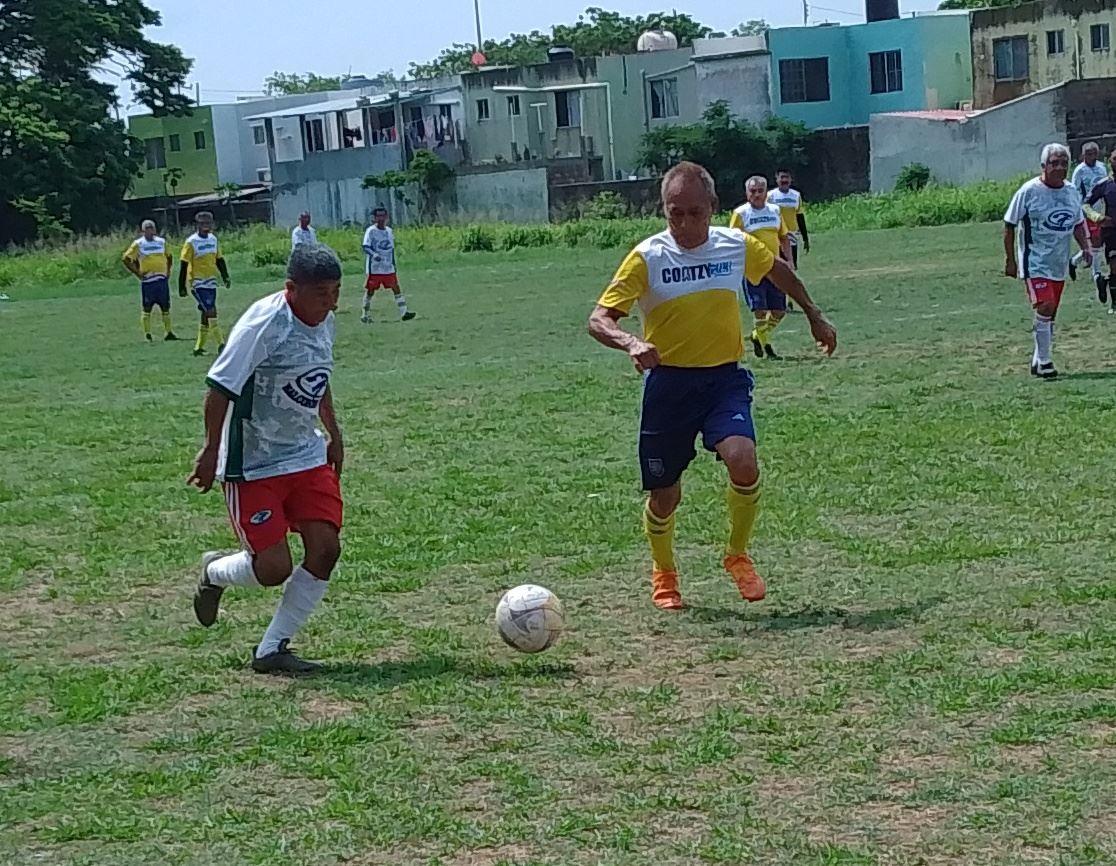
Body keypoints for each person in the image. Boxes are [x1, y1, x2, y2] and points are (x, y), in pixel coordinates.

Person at [587, 161, 836, 611]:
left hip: (724, 378)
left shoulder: (734, 245)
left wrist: (814, 314)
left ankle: (737, 555)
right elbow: (599, 318)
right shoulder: (648, 257)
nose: (683, 223)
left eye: (694, 213)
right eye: (674, 213)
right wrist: (630, 342)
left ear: (713, 208)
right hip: (669, 384)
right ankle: (664, 571)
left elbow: (780, 271)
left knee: (743, 460)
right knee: (666, 495)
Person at [188, 244, 344, 675]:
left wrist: (334, 433)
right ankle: (215, 572)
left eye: (335, 291)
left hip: (303, 453)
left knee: (326, 548)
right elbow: (220, 387)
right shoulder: (264, 324)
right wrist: (208, 450)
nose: (330, 302)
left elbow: (318, 376)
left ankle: (272, 648)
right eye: (320, 293)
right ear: (291, 288)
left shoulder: (325, 320)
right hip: (252, 460)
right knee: (274, 568)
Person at [1004, 143, 1093, 380]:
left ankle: (1037, 358)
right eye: (1055, 163)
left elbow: (1077, 222)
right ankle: (1045, 361)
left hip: (1058, 262)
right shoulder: (1029, 191)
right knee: (1044, 306)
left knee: (1050, 313)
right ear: (1043, 165)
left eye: (1064, 163)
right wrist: (1011, 260)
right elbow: (1010, 224)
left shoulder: (1071, 191)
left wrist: (1086, 246)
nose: (1060, 167)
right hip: (1035, 262)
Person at [730, 176, 792, 360]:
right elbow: (733, 241)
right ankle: (768, 347)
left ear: (766, 192)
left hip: (775, 267)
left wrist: (788, 261)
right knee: (760, 310)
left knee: (779, 311)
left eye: (760, 191)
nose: (756, 194)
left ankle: (758, 335)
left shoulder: (775, 211)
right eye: (753, 191)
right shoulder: (741, 213)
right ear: (747, 193)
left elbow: (784, 237)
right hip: (752, 269)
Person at [178, 212, 231, 356]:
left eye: (208, 223)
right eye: (203, 224)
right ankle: (221, 344)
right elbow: (183, 264)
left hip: (211, 281)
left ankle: (198, 348)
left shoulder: (213, 240)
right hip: (197, 282)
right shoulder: (191, 242)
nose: (206, 226)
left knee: (206, 313)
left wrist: (225, 276)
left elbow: (219, 260)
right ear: (198, 225)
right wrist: (182, 286)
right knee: (211, 310)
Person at [122, 219, 179, 342]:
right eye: (147, 228)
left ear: (154, 229)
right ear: (142, 231)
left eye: (151, 228)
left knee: (165, 306)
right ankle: (147, 334)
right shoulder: (138, 244)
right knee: (147, 307)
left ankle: (168, 332)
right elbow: (126, 258)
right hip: (148, 281)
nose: (149, 230)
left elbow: (169, 257)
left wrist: (168, 271)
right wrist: (137, 272)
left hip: (161, 280)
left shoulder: (161, 242)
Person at [361, 207, 415, 323]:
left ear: (386, 217)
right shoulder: (371, 231)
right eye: (378, 216)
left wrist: (393, 265)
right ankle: (365, 314)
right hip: (375, 268)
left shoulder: (389, 231)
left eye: (383, 216)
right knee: (371, 290)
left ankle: (404, 312)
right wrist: (374, 254)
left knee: (396, 287)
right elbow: (366, 246)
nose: (381, 219)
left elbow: (391, 249)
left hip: (388, 267)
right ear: (374, 218)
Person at [1070, 142, 1109, 293]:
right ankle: (1096, 274)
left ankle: (1074, 261)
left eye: (1094, 153)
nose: (1092, 157)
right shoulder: (1079, 171)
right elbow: (1074, 191)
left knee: (1100, 242)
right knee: (1096, 242)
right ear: (1083, 155)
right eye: (1089, 154)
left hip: (1101, 210)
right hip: (1087, 211)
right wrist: (1079, 209)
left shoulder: (1101, 167)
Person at [1086, 147, 1116, 314]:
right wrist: (1097, 217)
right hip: (1111, 230)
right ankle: (1114, 304)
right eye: (1115, 158)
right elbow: (1085, 204)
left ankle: (1103, 281)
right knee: (1115, 266)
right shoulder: (1104, 185)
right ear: (1109, 161)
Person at [767, 169, 810, 268]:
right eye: (782, 177)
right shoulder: (770, 196)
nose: (784, 180)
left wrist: (805, 238)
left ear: (791, 180)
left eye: (787, 177)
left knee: (792, 265)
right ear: (777, 179)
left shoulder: (796, 195)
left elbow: (799, 216)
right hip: (776, 233)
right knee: (778, 265)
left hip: (791, 234)